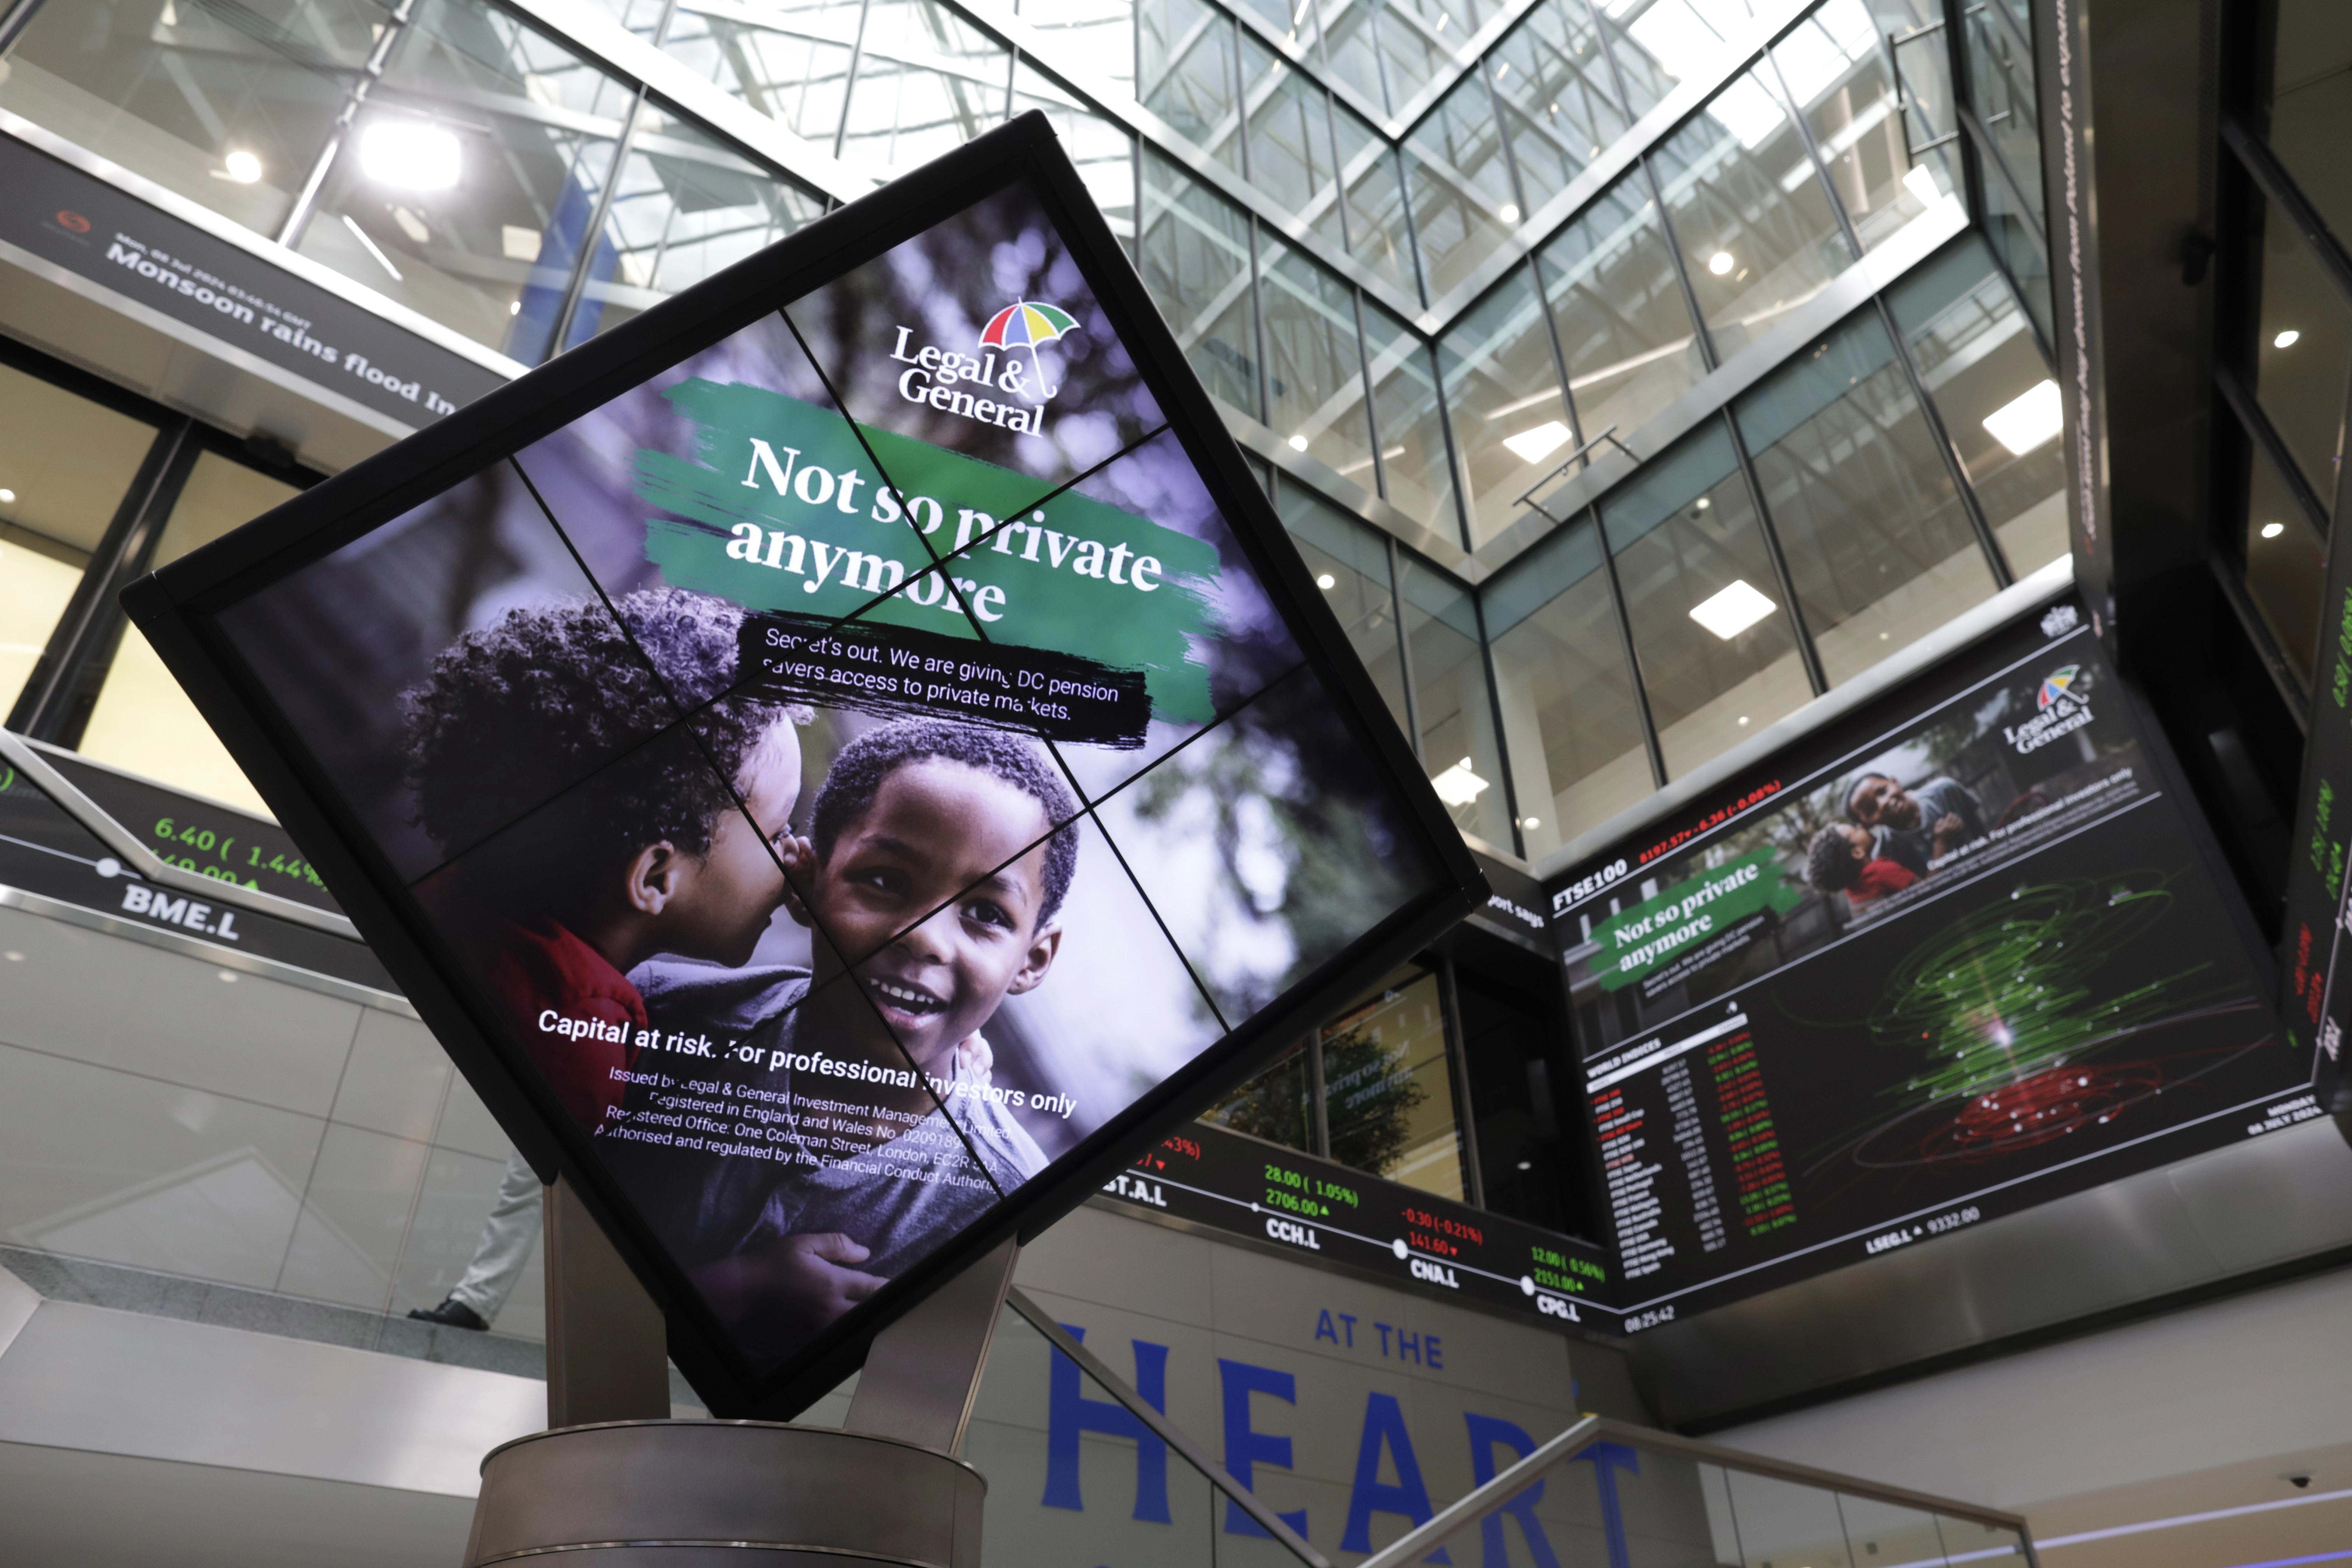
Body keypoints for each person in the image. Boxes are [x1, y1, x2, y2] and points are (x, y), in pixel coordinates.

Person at [402, 588, 812, 1330]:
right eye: (779, 830)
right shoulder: (577, 1044)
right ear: (656, 878)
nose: (796, 858)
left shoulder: (462, 900)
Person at [634, 718, 1073, 1353]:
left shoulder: (1009, 1204)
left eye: (985, 913)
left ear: (1031, 960)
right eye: (886, 880)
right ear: (807, 882)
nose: (924, 938)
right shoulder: (652, 1015)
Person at [1846, 772, 1985, 877]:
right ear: (1867, 824)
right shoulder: (1885, 855)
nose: (1883, 804)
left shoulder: (1944, 791)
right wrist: (1941, 842)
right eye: (1871, 810)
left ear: (1894, 782)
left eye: (1883, 791)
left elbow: (1981, 832)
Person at [1806, 822, 1916, 908]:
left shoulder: (1852, 890)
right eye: (1856, 829)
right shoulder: (1880, 873)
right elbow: (1928, 890)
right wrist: (1935, 843)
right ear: (1858, 853)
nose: (1861, 826)